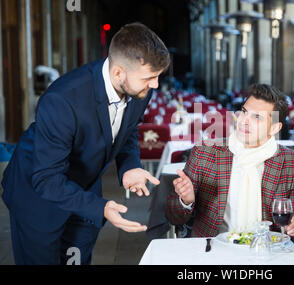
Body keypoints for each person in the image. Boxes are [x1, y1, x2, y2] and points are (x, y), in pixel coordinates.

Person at [1, 23, 170, 265]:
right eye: (149, 77)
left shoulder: (140, 89)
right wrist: (101, 207)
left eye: (157, 75)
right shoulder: (62, 99)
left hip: (84, 189)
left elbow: (129, 129)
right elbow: (46, 178)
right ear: (119, 73)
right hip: (38, 195)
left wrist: (129, 165)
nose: (155, 84)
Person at [165, 84, 294, 237]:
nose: (244, 121)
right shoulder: (205, 151)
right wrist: (186, 200)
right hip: (214, 250)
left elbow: (293, 220)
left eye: (257, 117)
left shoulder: (291, 162)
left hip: (267, 252)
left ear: (275, 128)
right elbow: (172, 216)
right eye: (244, 112)